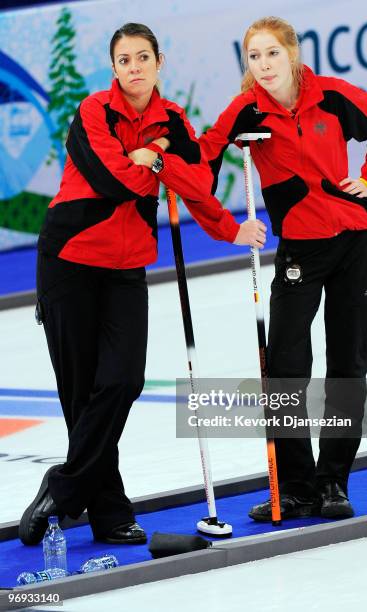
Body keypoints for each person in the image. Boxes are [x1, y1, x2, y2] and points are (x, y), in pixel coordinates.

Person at [19, 22, 266, 546]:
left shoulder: (172, 118)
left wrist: (166, 164)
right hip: (70, 261)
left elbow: (199, 183)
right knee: (81, 395)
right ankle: (110, 513)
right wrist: (155, 162)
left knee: (125, 380)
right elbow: (112, 181)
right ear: (114, 69)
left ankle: (61, 489)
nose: (133, 67)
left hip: (127, 266)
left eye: (142, 57)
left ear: (159, 63)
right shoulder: (93, 113)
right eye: (124, 60)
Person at [198, 16, 367, 520]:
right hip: (299, 252)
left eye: (272, 53)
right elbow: (202, 155)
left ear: (292, 53)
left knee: (347, 367)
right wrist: (168, 158)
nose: (263, 65)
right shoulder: (246, 109)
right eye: (253, 56)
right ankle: (295, 485)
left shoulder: (330, 96)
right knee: (285, 368)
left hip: (354, 242)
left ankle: (333, 481)